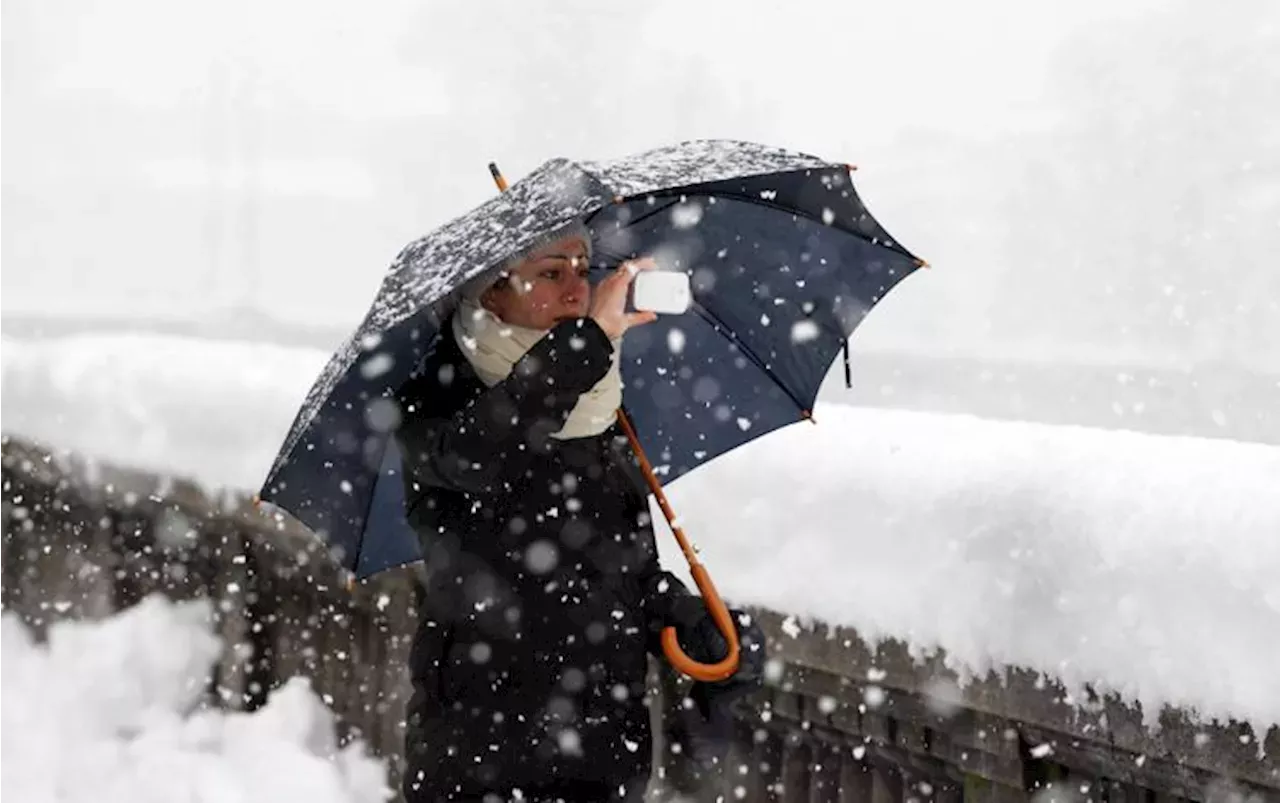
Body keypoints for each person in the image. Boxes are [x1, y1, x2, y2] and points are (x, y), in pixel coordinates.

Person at [393, 220, 764, 803]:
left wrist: (688, 620)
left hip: (602, 759)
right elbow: (485, 461)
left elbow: (622, 579)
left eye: (581, 270)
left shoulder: (600, 413)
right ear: (491, 293)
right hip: (479, 758)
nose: (576, 290)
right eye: (549, 273)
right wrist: (586, 343)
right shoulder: (437, 405)